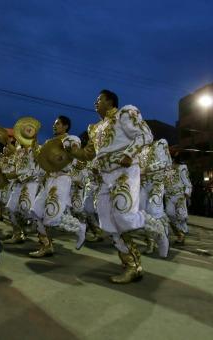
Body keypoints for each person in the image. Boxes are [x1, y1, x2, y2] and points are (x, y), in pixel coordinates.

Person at [69, 89, 165, 284]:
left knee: (124, 214)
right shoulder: (95, 128)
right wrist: (72, 151)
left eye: (99, 100)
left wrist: (129, 154)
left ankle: (158, 228)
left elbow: (146, 135)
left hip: (125, 170)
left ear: (110, 101)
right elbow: (89, 154)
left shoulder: (124, 113)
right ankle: (132, 266)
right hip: (104, 177)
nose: (96, 103)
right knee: (108, 222)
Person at [28, 115, 86, 257]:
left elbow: (73, 155)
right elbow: (42, 160)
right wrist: (34, 145)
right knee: (36, 211)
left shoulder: (72, 140)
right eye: (54, 124)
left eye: (58, 124)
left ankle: (80, 228)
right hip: (49, 180)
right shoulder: (49, 142)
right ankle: (46, 245)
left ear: (65, 126)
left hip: (62, 179)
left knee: (52, 216)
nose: (54, 126)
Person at [165, 152, 192, 244]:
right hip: (169, 195)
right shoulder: (167, 168)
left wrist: (187, 192)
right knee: (169, 214)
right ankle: (180, 232)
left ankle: (181, 234)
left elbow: (187, 181)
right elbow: (165, 182)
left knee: (181, 215)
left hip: (179, 195)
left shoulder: (182, 167)